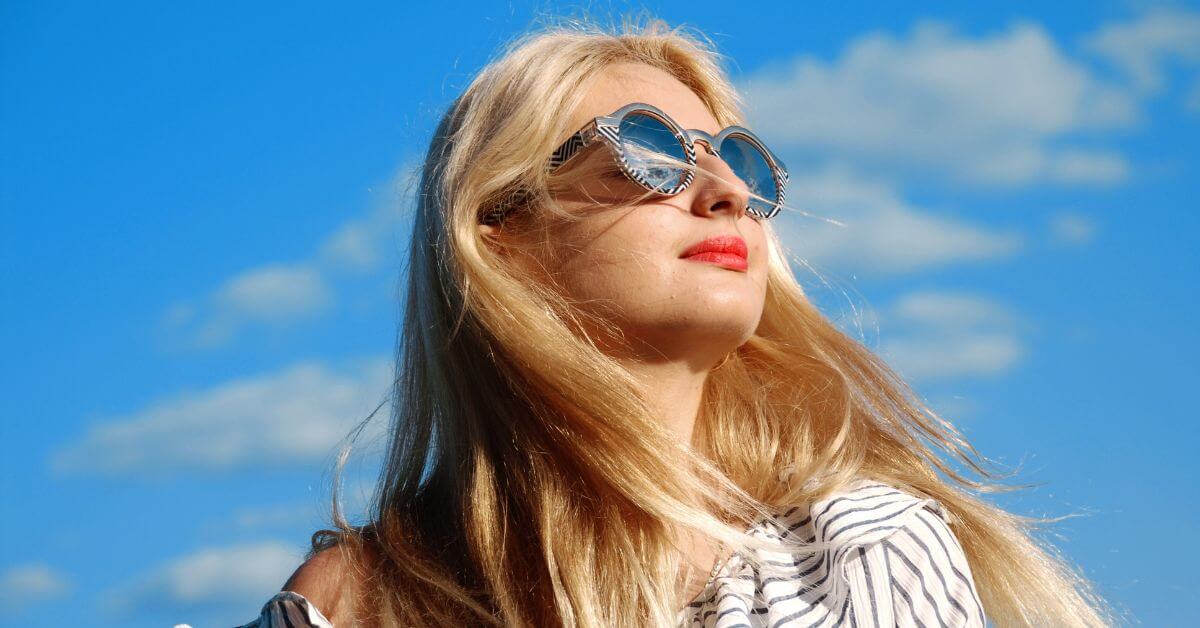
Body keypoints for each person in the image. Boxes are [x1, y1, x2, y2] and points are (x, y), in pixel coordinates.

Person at [238, 18, 1113, 628]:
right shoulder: (362, 601)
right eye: (646, 151)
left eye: (739, 161)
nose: (727, 192)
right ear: (499, 232)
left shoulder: (859, 555)